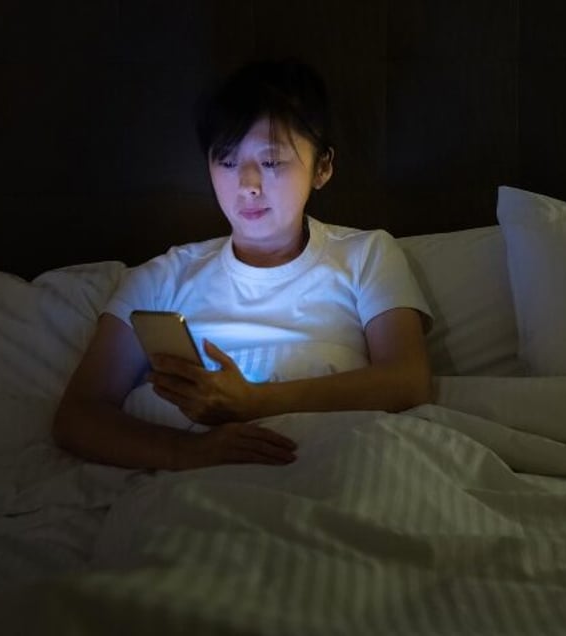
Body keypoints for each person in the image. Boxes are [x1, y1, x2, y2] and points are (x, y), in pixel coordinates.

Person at [53, 59, 433, 471]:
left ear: (322, 167)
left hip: (340, 467)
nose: (248, 185)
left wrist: (255, 402)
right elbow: (78, 414)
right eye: (228, 162)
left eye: (271, 163)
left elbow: (408, 380)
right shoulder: (163, 278)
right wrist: (189, 452)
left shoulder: (366, 254)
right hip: (201, 486)